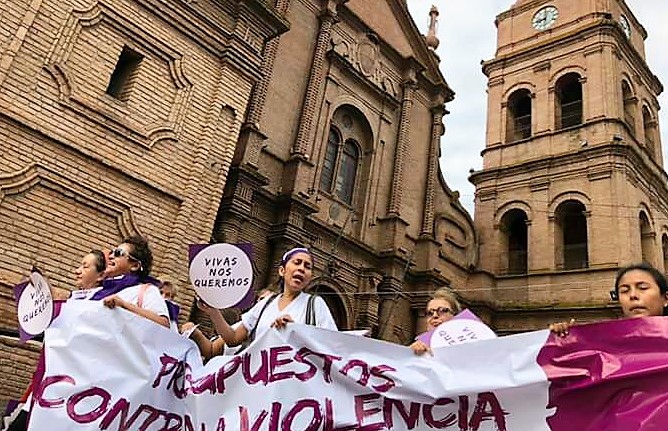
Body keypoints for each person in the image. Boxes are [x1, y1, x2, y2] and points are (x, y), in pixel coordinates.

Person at [199, 247, 338, 350]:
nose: (301, 268)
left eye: (307, 266)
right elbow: (233, 338)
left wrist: (295, 331)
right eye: (297, 262)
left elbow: (332, 346)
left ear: (310, 278)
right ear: (282, 271)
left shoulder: (315, 305)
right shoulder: (265, 304)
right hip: (259, 381)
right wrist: (213, 311)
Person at [550, 262, 668, 336]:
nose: (633, 295)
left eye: (642, 288)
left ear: (665, 298)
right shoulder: (606, 341)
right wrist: (566, 338)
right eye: (625, 291)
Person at [94, 236, 170, 328]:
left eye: (118, 253)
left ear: (135, 266)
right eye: (111, 252)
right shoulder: (99, 290)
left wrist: (124, 305)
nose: (110, 256)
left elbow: (163, 324)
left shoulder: (146, 290)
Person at [181, 288, 275, 361]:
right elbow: (212, 350)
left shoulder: (280, 329)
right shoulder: (242, 326)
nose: (266, 304)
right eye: (262, 300)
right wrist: (195, 333)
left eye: (271, 302)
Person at [410, 288, 462, 355]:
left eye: (443, 310)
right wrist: (407, 355)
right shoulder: (416, 349)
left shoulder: (469, 346)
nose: (434, 315)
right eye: (430, 313)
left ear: (455, 316)